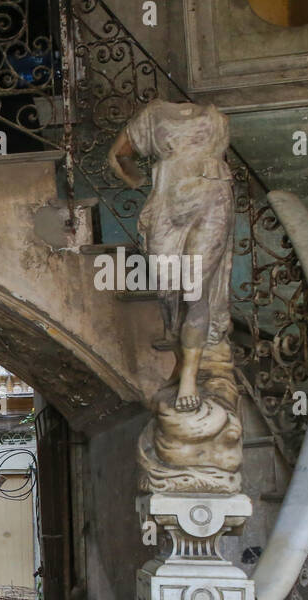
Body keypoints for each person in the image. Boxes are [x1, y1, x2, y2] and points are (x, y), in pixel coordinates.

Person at [107, 99, 235, 412]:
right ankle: (183, 362)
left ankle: (190, 376)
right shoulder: (153, 113)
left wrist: (140, 179)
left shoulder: (215, 114)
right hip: (169, 202)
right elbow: (119, 154)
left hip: (212, 200)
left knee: (195, 290)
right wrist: (139, 183)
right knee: (168, 289)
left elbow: (118, 156)